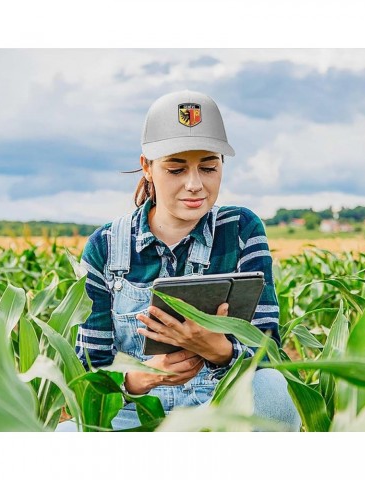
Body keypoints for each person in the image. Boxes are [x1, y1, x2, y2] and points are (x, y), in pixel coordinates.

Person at [57, 90, 301, 432]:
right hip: (134, 414)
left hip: (219, 408)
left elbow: (269, 350)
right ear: (147, 167)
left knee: (274, 392)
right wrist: (138, 379)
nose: (195, 185)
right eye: (175, 169)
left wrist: (221, 351)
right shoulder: (106, 246)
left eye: (209, 167)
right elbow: (87, 369)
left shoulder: (241, 230)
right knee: (68, 434)